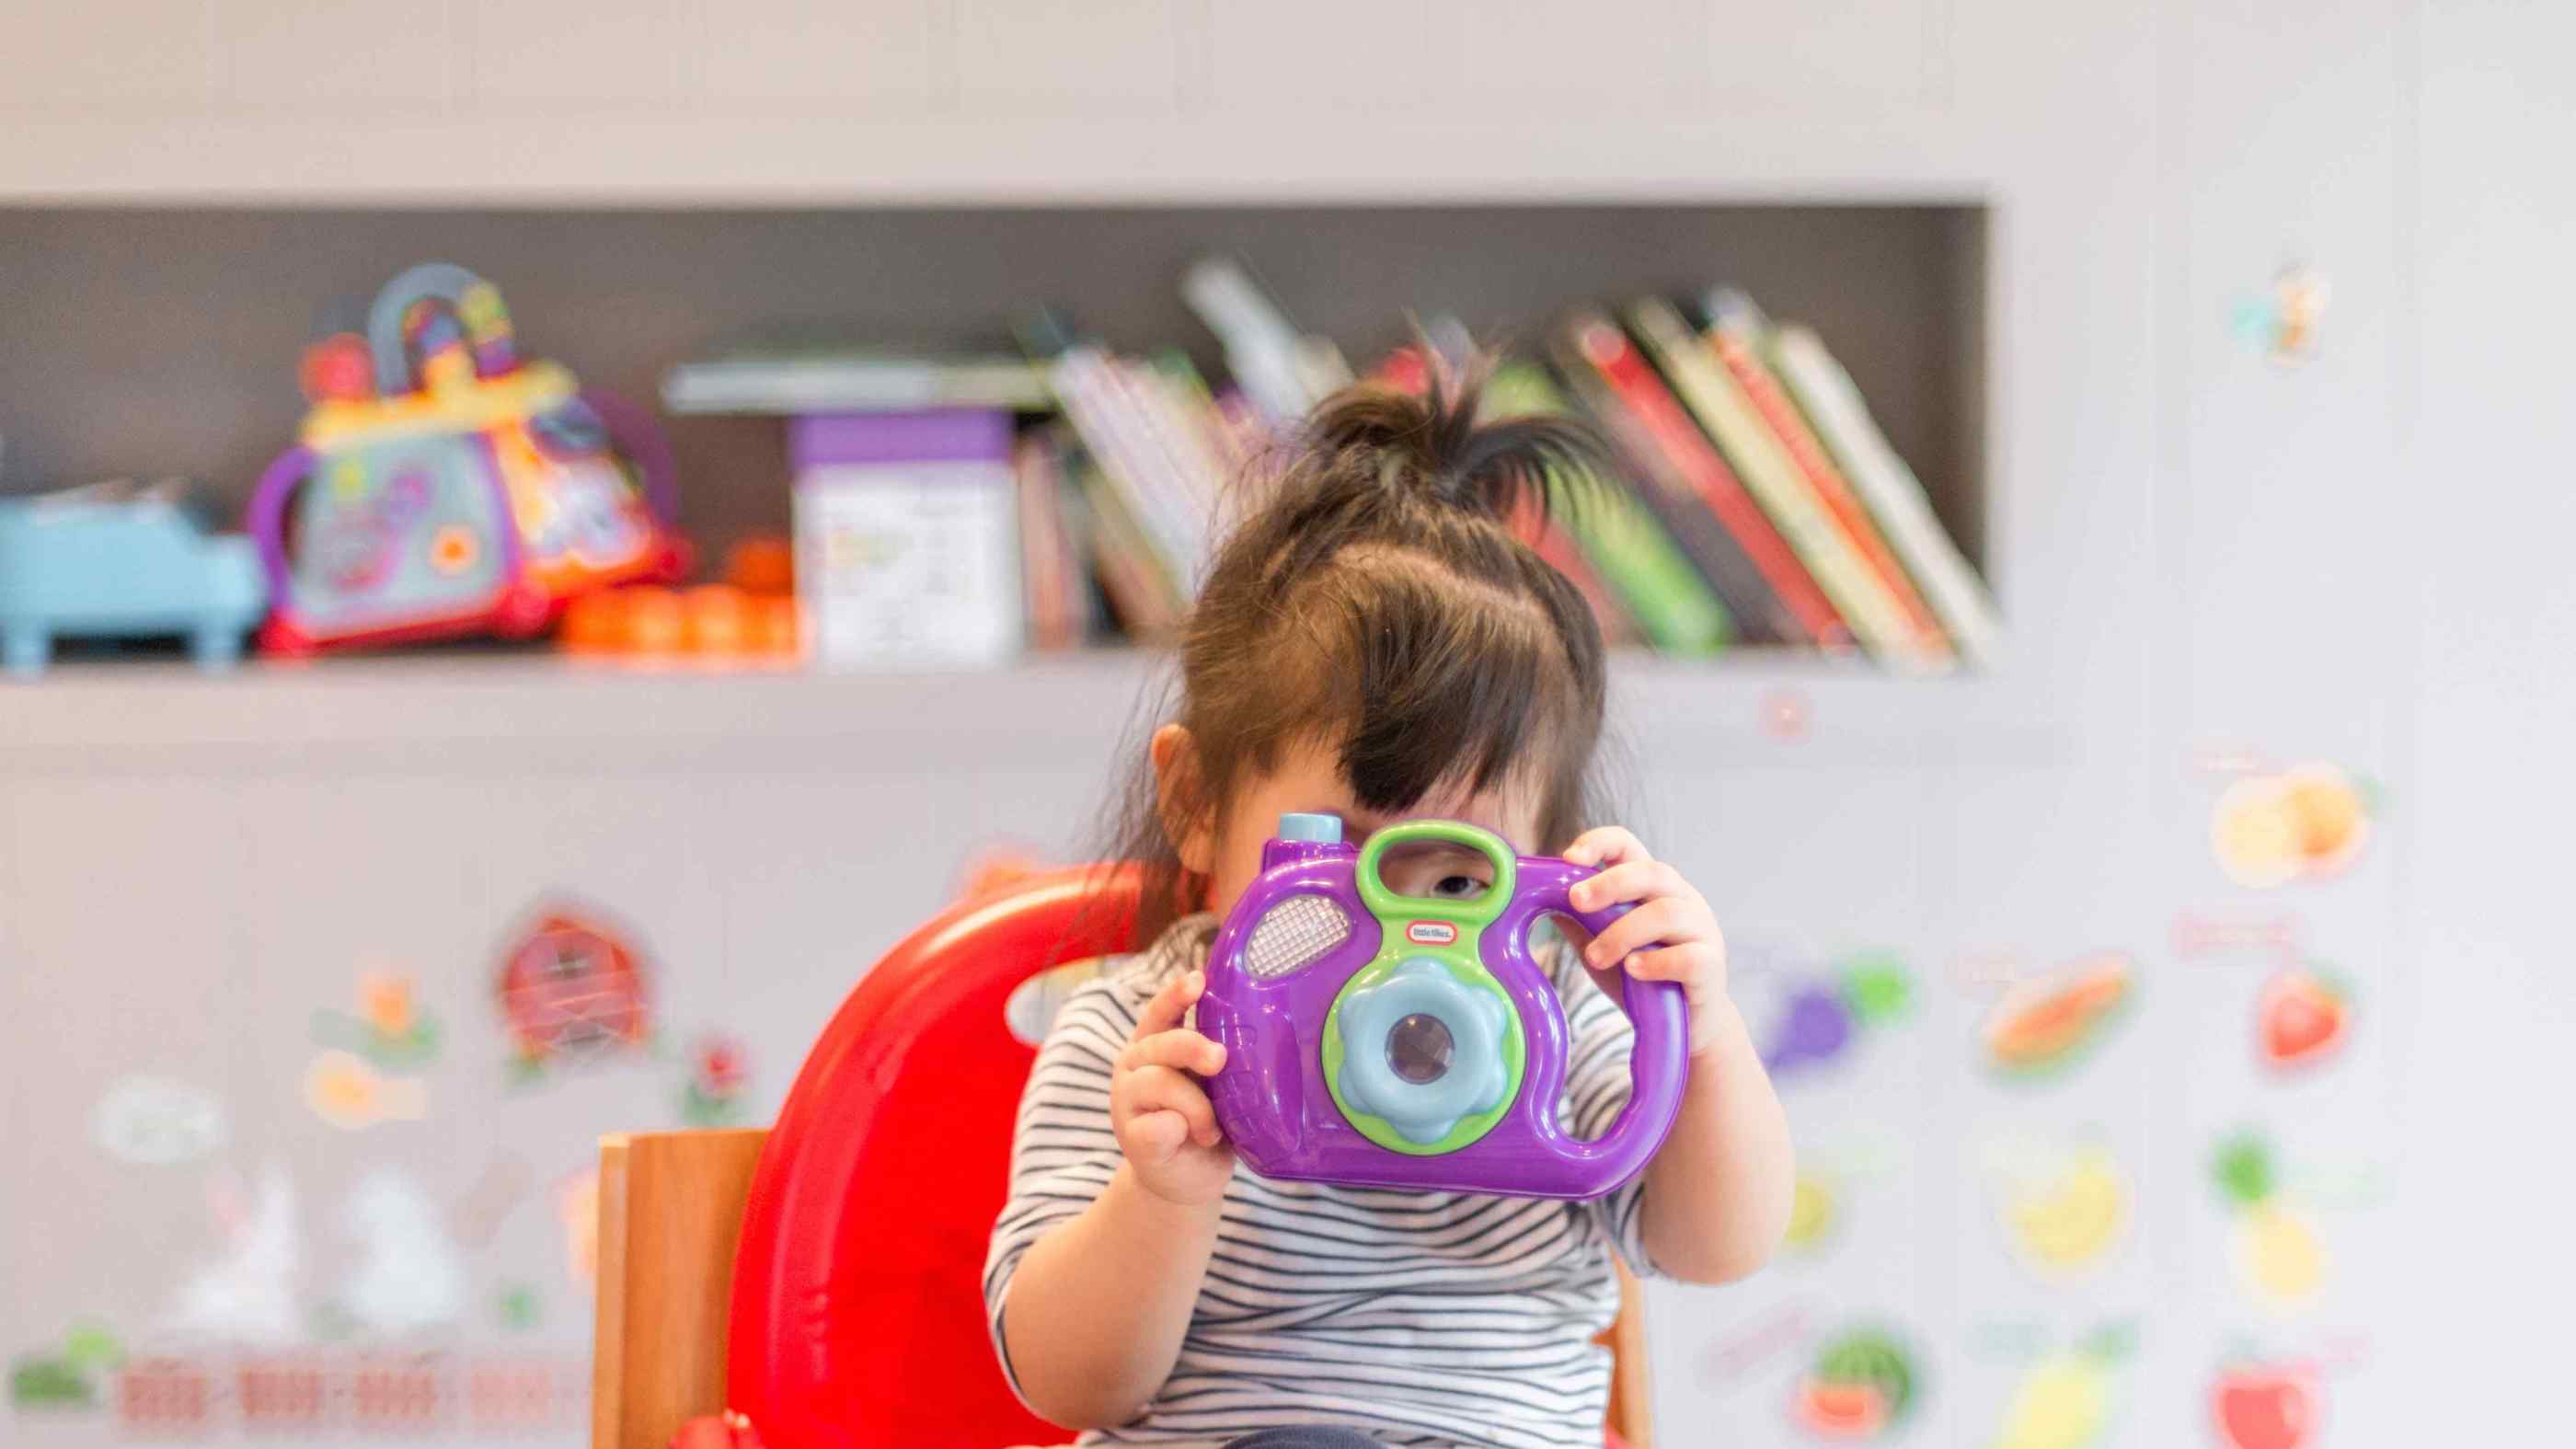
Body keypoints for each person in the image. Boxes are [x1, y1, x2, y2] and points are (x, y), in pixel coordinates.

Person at [983, 354, 1797, 1448]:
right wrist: (1162, 1195)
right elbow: (1067, 1385)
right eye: (1338, 866)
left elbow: (1717, 1245)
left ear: (1545, 869)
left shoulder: (1547, 1023)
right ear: (1196, 806)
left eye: (1462, 882)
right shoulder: (1146, 1040)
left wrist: (1699, 1039)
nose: (1401, 938)